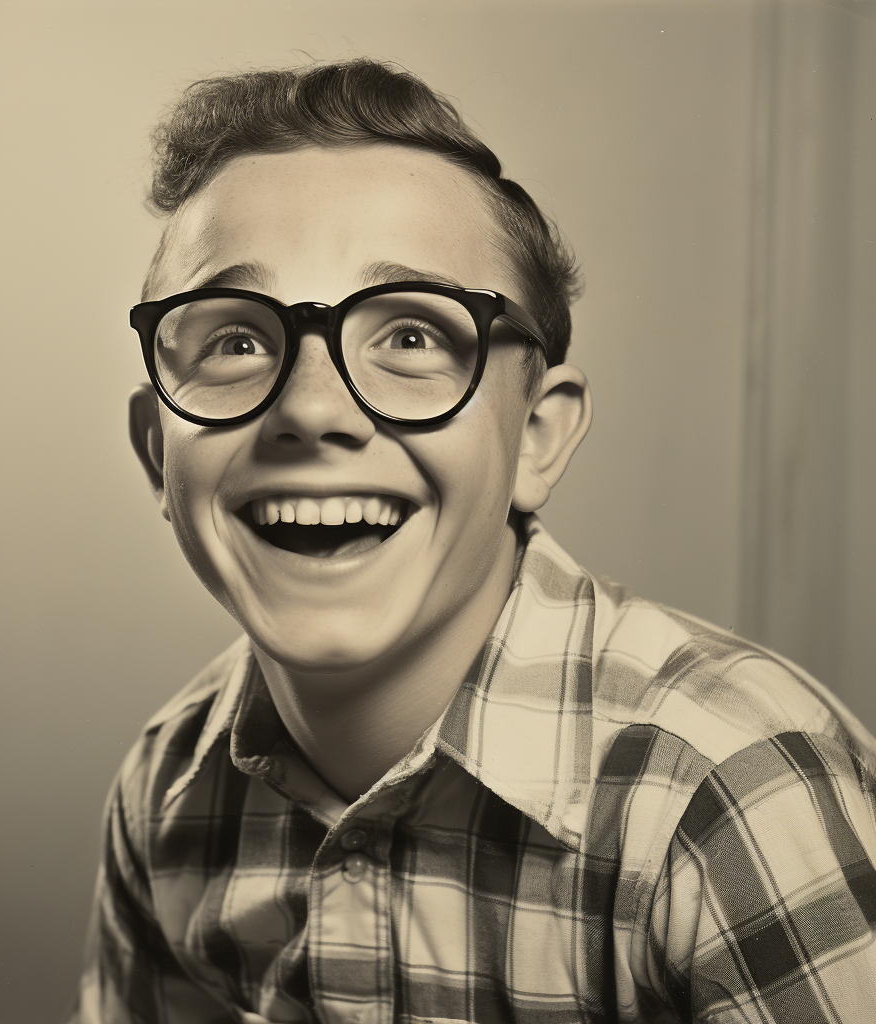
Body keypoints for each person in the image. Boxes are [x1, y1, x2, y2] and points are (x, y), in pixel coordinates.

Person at [72, 59, 876, 1023]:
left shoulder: (731, 792)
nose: (310, 406)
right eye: (237, 341)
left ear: (537, 436)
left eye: (411, 336)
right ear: (158, 453)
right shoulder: (165, 794)